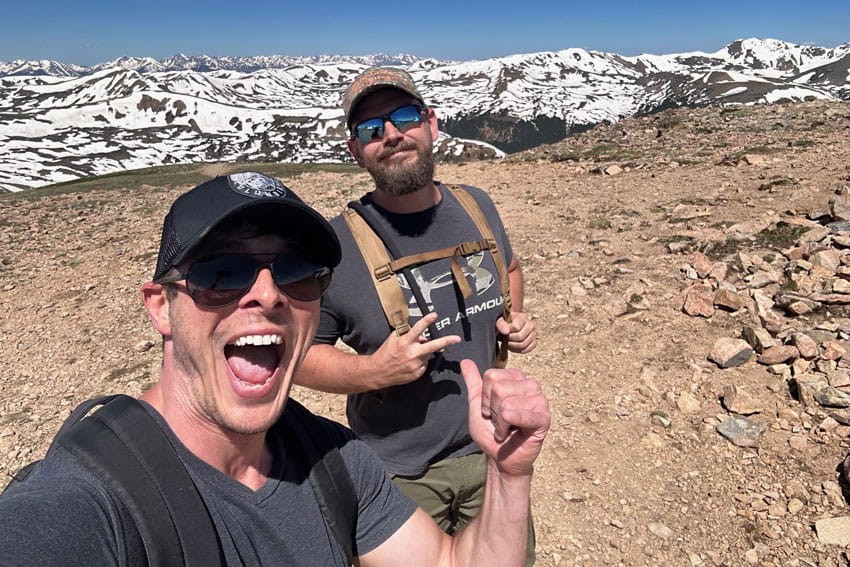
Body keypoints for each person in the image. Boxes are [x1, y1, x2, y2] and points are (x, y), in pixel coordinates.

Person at [0, 171, 550, 566]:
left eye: (296, 272)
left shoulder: (333, 458)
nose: (267, 294)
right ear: (161, 307)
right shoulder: (91, 502)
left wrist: (508, 474)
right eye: (222, 273)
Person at [296, 66, 539, 557]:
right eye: (370, 129)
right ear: (355, 151)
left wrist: (511, 318)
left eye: (403, 116)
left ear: (430, 123)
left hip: (492, 445)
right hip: (397, 470)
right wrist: (373, 370)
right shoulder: (336, 245)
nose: (391, 135)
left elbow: (508, 266)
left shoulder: (477, 206)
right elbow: (300, 357)